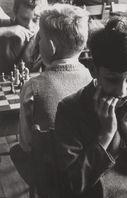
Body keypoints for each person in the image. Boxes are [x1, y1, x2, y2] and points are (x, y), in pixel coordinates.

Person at [55, 16, 127, 198]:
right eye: (112, 79)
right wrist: (105, 135)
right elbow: (74, 185)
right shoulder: (70, 109)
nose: (122, 91)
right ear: (95, 71)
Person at [10, 4, 92, 185]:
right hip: (87, 169)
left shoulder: (33, 87)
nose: (37, 42)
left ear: (51, 47)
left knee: (15, 150)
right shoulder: (91, 78)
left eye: (40, 38)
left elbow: (26, 144)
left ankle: (43, 195)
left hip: (50, 176)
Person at [0, 0, 48, 73]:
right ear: (15, 13)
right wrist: (4, 30)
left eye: (35, 19)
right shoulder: (3, 26)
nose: (29, 25)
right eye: (24, 19)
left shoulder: (45, 37)